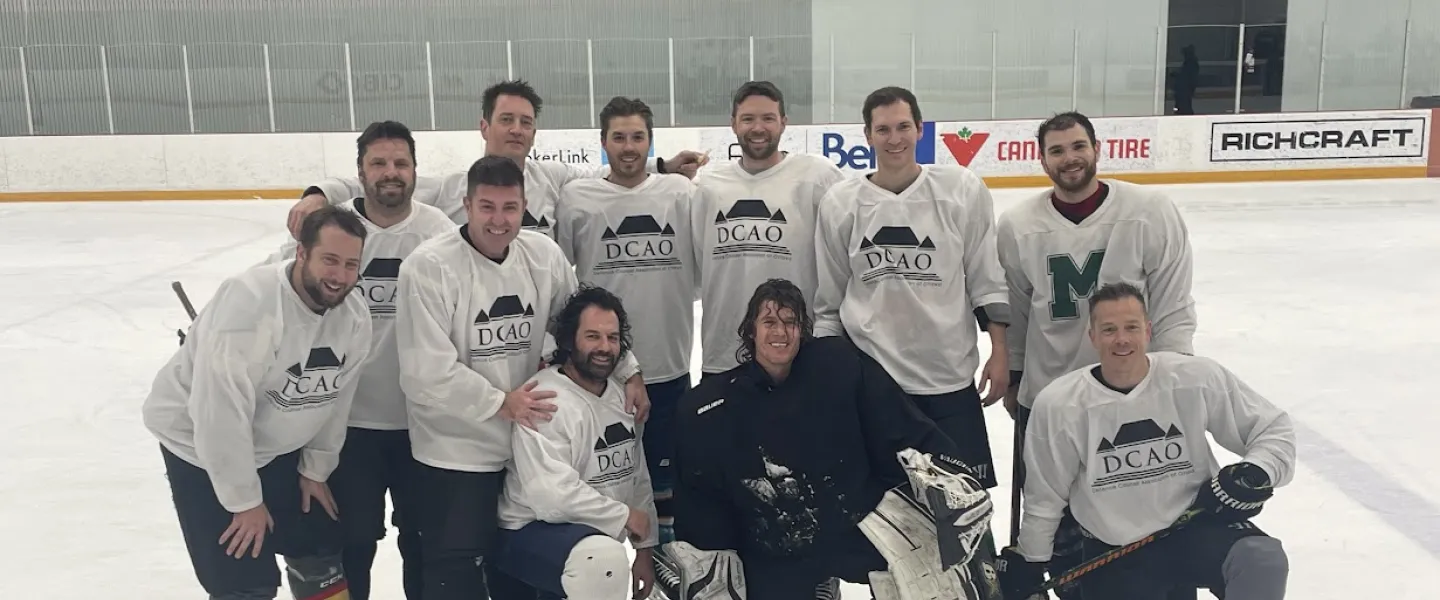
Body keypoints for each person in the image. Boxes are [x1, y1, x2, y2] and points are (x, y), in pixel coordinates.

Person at [393, 155, 648, 600]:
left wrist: (629, 372)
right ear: (466, 204)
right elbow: (424, 372)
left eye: (510, 208)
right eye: (487, 207)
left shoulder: (542, 255)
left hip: (523, 443)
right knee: (455, 574)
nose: (499, 220)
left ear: (525, 206)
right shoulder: (429, 267)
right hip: (457, 455)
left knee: (516, 577)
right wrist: (500, 402)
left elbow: (580, 323)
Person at [666, 278, 998, 600]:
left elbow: (900, 425)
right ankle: (816, 588)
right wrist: (709, 555)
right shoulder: (713, 404)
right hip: (775, 547)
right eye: (769, 321)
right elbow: (702, 494)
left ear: (802, 331)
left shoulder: (837, 366)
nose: (779, 332)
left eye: (790, 322)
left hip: (851, 526)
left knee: (936, 569)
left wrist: (946, 472)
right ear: (751, 331)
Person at [995, 110, 1199, 597]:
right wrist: (1018, 376)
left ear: (1097, 149)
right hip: (1052, 402)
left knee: (1143, 513)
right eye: (1058, 150)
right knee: (1056, 525)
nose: (1070, 158)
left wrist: (1168, 381)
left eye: (1078, 146)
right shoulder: (1019, 225)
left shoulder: (1150, 212)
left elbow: (1173, 305)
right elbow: (1018, 310)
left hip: (1134, 393)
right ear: (1042, 159)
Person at [997, 282, 1293, 600]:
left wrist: (1256, 471)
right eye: (1109, 329)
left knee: (1261, 559)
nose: (1122, 339)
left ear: (1148, 331)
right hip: (1118, 552)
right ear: (1092, 336)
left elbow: (1273, 429)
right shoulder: (1059, 404)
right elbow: (1046, 495)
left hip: (1194, 529)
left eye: (1131, 327)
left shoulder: (1195, 378)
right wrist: (1032, 559)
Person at [143, 206, 375, 600]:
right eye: (329, 260)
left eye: (351, 265)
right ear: (301, 253)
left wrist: (316, 470)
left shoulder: (353, 317)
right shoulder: (250, 305)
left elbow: (337, 398)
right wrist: (244, 500)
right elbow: (218, 412)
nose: (340, 276)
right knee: (244, 578)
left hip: (274, 447)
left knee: (319, 544)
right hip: (201, 448)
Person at [264, 121, 454, 600]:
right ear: (360, 172)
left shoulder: (439, 231)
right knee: (352, 546)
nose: (391, 173)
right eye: (378, 163)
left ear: (415, 170)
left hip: (422, 426)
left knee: (425, 544)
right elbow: (273, 288)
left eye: (401, 163)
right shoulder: (329, 229)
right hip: (345, 428)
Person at [813, 86, 1010, 490]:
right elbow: (828, 304)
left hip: (949, 379)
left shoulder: (961, 191)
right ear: (867, 136)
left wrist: (1000, 352)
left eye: (903, 126)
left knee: (965, 502)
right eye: (883, 129)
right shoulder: (841, 203)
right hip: (874, 384)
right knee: (887, 510)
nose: (894, 138)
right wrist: (828, 379)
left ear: (921, 129)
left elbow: (986, 278)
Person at [285, 80, 707, 239]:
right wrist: (318, 194)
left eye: (525, 122)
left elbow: (608, 171)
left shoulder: (554, 177)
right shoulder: (453, 187)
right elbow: (383, 183)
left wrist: (663, 166)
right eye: (506, 119)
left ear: (534, 133)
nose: (516, 129)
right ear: (484, 126)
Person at [552, 97, 700, 553]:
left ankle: (666, 573)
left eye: (637, 136)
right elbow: (563, 282)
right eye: (618, 137)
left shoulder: (681, 194)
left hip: (669, 371)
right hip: (600, 377)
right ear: (602, 143)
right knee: (604, 492)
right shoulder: (579, 198)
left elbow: (702, 272)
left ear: (650, 141)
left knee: (667, 491)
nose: (628, 146)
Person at [488, 284, 660, 600]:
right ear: (569, 340)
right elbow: (552, 499)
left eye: (612, 338)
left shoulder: (621, 396)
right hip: (528, 532)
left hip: (589, 536)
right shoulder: (546, 398)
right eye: (592, 336)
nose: (605, 347)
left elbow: (636, 477)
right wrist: (623, 516)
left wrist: (645, 551)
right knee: (600, 563)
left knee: (601, 556)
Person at [690, 81, 845, 381]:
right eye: (748, 119)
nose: (758, 127)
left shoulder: (817, 177)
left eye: (768, 118)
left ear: (784, 122)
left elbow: (839, 260)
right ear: (733, 124)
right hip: (723, 356)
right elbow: (701, 261)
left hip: (795, 355)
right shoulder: (710, 188)